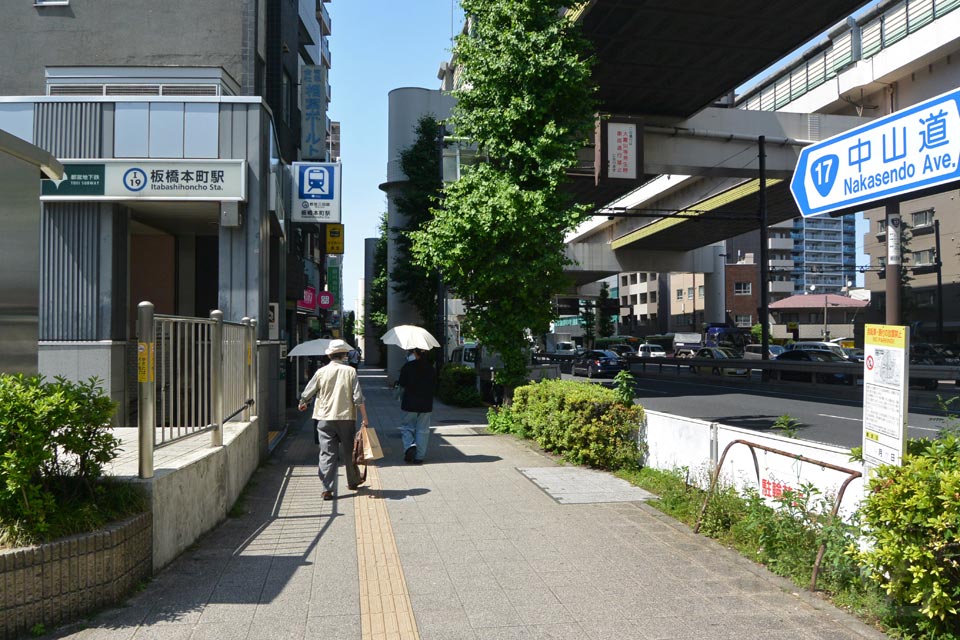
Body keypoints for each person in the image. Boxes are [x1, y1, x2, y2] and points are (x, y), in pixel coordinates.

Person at [298, 339, 369, 499]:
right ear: (344, 354)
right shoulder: (350, 371)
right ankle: (353, 481)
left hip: (324, 417)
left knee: (327, 453)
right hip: (346, 417)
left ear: (329, 355)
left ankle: (327, 488)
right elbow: (358, 397)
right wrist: (365, 417)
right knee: (350, 450)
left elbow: (309, 391)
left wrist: (303, 402)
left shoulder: (321, 372)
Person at [397, 348, 437, 464]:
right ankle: (419, 457)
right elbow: (435, 384)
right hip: (426, 403)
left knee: (407, 427)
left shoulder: (408, 366)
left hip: (410, 402)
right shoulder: (431, 368)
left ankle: (410, 447)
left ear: (415, 353)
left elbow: (402, 383)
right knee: (423, 430)